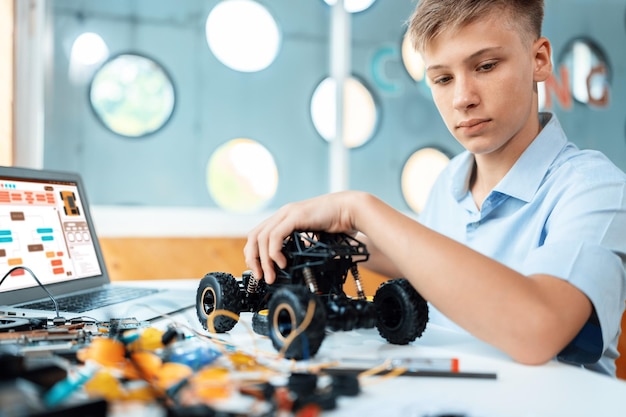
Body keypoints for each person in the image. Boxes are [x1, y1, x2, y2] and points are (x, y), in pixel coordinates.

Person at [244, 0, 626, 376]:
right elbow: (436, 264)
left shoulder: (595, 188)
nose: (463, 98)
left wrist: (359, 207)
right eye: (443, 78)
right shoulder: (450, 181)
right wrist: (336, 244)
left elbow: (539, 329)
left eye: (486, 66)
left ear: (539, 60)